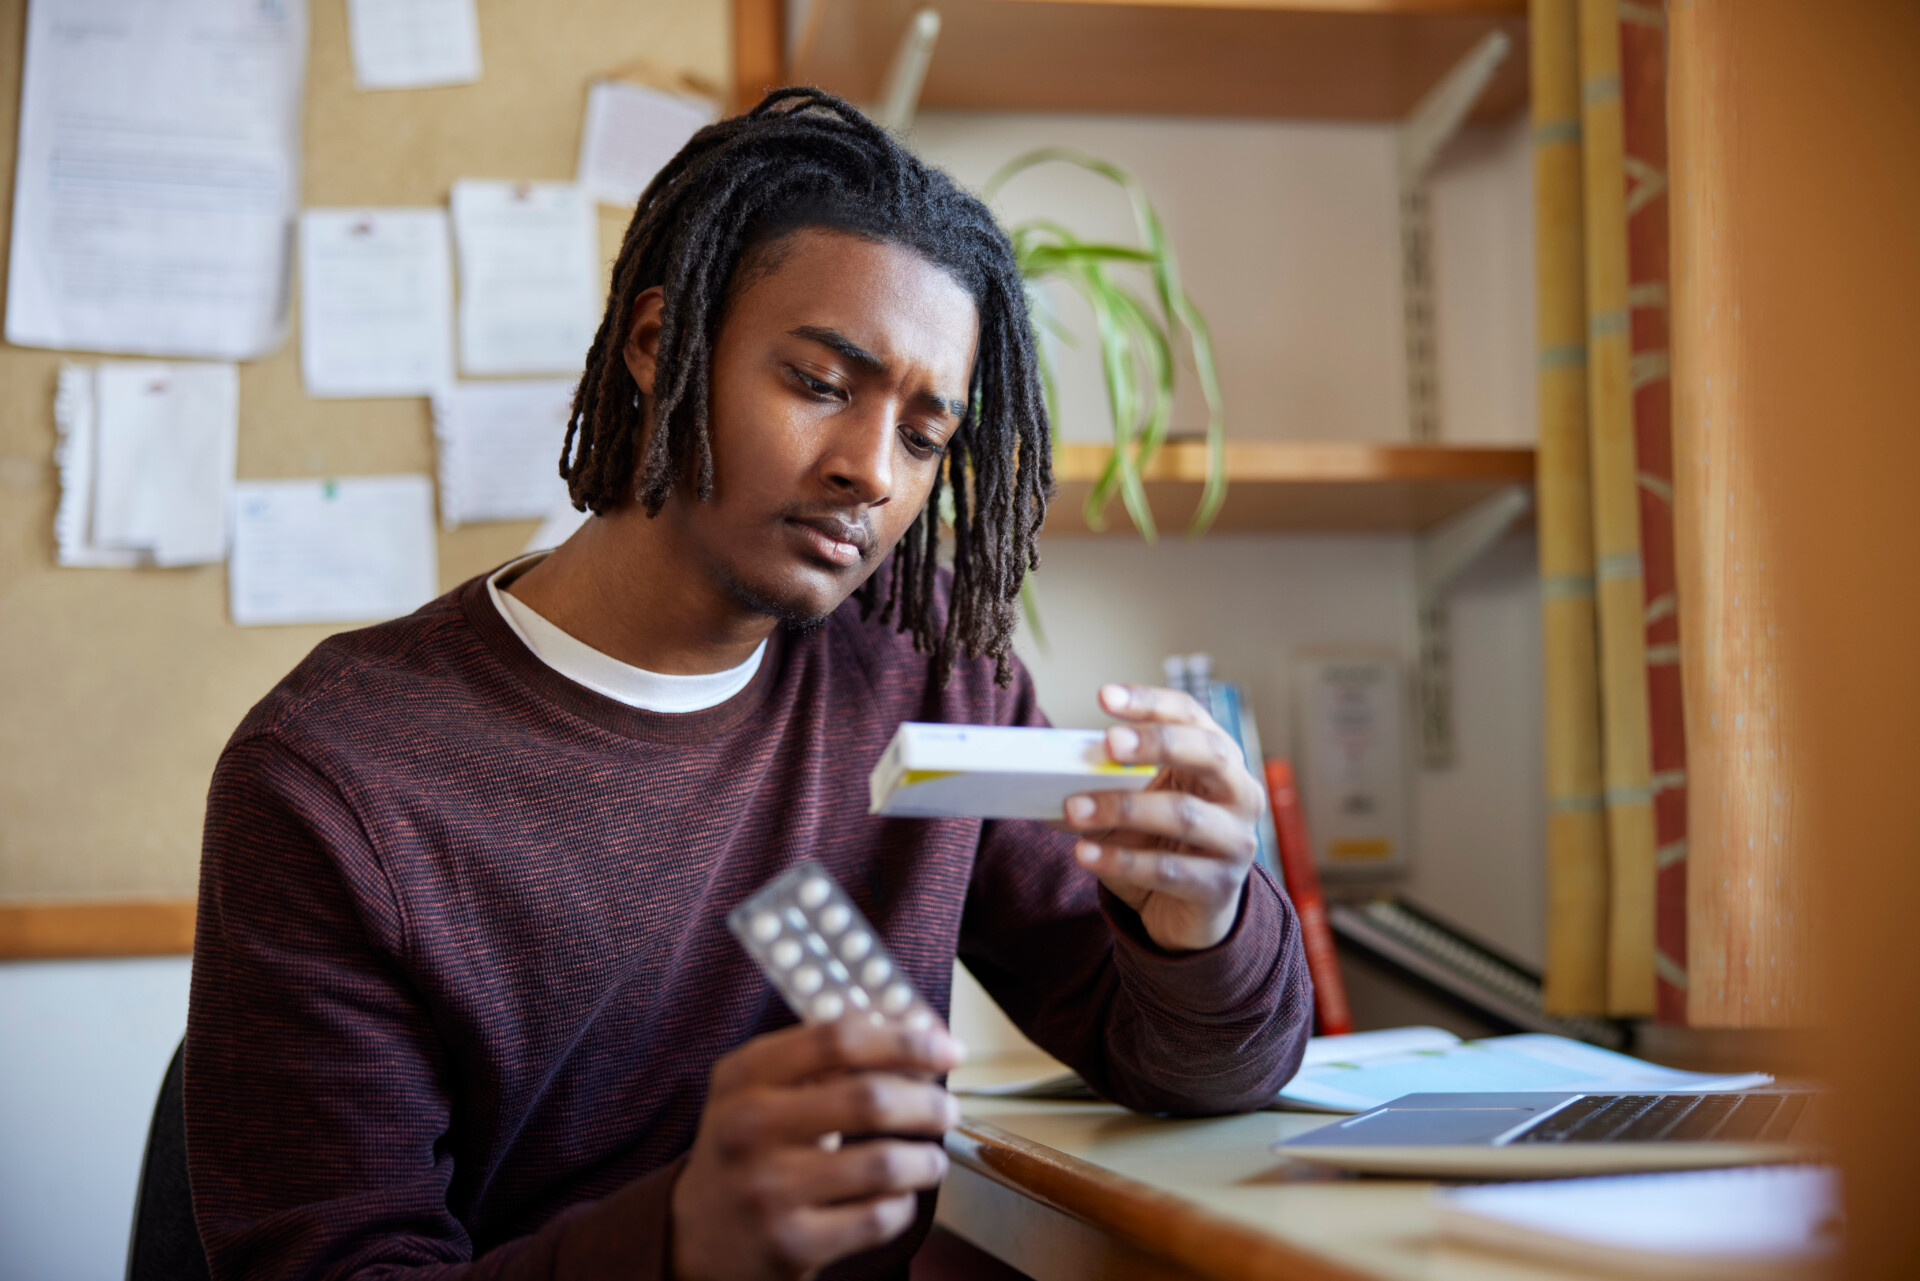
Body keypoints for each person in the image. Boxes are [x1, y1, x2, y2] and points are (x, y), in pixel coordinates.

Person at [186, 89, 1310, 1281]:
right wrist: (674, 1247)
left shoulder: (927, 670)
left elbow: (1199, 1069)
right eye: (823, 383)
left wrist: (1205, 924)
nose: (870, 472)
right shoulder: (341, 774)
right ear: (661, 345)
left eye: (926, 437)